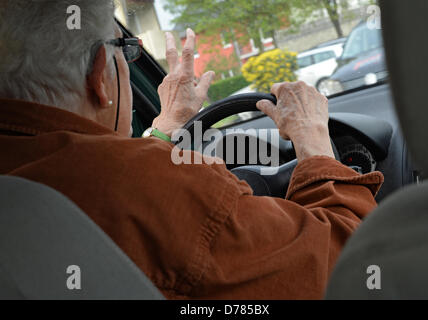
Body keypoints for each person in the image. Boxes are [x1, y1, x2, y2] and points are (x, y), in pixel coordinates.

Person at [0, 0, 383, 299]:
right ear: (101, 74)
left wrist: (165, 128)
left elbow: (93, 188)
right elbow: (346, 266)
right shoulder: (158, 188)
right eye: (125, 50)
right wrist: (314, 143)